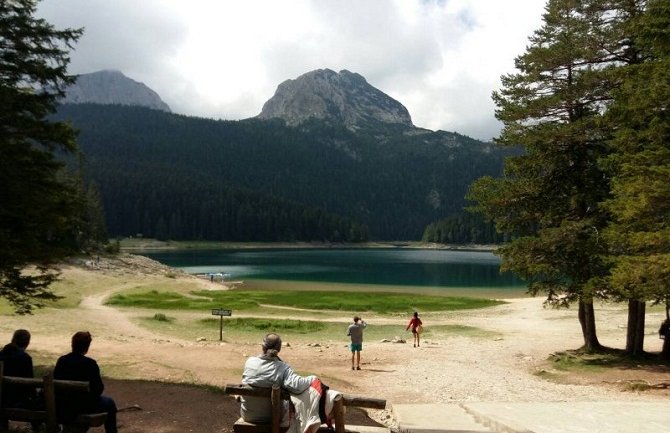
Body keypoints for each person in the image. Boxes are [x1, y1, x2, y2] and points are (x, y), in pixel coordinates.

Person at [240, 333, 315, 425]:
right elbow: (297, 386)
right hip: (273, 417)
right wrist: (312, 378)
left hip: (248, 416)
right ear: (279, 349)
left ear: (262, 346)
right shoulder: (282, 367)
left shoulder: (250, 362)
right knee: (291, 404)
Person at [54, 331, 117, 433]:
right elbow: (98, 389)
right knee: (109, 403)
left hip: (63, 404)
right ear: (87, 347)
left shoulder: (62, 361)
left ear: (72, 344)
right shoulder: (90, 364)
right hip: (83, 406)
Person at [0, 329, 36, 408]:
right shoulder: (25, 358)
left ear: (13, 339)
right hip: (16, 400)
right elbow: (30, 383)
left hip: (3, 397)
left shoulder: (1, 354)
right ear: (27, 343)